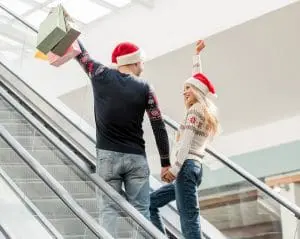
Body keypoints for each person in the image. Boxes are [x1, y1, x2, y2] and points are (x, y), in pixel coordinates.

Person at [74, 39, 171, 235]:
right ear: (135, 62)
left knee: (108, 210)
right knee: (141, 211)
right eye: (142, 61)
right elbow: (158, 124)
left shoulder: (100, 74)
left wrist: (70, 27)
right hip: (136, 158)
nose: (143, 66)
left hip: (107, 156)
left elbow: (81, 55)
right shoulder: (145, 87)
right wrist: (165, 162)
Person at [149, 40, 220, 239]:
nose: (184, 91)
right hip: (193, 169)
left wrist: (174, 169)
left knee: (189, 218)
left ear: (197, 90)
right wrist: (196, 57)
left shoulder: (194, 112)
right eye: (184, 88)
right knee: (150, 202)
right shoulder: (202, 110)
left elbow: (186, 142)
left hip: (186, 167)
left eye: (188, 88)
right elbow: (198, 79)